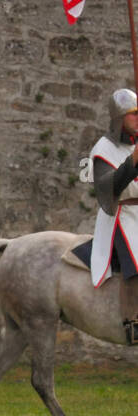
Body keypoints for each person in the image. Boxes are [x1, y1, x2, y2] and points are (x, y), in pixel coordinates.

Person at [79, 89, 138, 344]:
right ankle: (132, 321)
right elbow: (109, 188)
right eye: (133, 113)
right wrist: (133, 161)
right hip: (121, 215)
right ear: (119, 117)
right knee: (136, 260)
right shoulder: (103, 149)